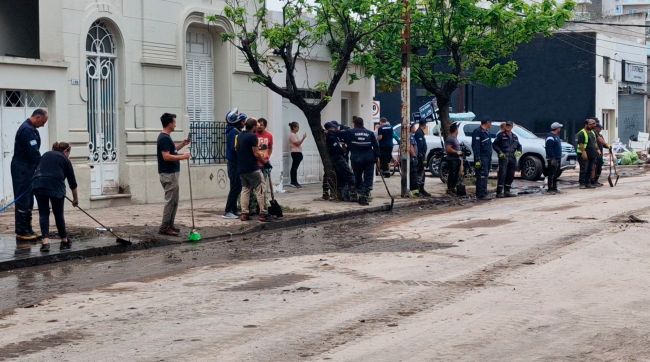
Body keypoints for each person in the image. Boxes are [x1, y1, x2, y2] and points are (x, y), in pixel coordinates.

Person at [32, 142, 78, 252]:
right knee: (58, 214)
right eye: (69, 153)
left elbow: (37, 168)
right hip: (55, 186)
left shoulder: (46, 154)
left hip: (38, 184)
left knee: (43, 213)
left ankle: (45, 242)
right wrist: (75, 199)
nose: (68, 155)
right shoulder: (65, 159)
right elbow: (72, 183)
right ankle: (64, 240)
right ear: (66, 151)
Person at [12, 108, 48, 242]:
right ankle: (22, 230)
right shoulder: (26, 130)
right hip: (22, 170)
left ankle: (28, 228)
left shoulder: (32, 129)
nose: (43, 125)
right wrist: (42, 166)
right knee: (23, 199)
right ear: (37, 117)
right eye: (43, 122)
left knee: (29, 199)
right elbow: (33, 153)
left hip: (28, 169)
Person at [157, 113, 190, 236]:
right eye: (174, 122)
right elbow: (166, 156)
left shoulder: (166, 137)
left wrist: (183, 144)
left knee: (174, 201)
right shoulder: (164, 138)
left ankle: (170, 225)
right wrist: (183, 157)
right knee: (170, 201)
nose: (175, 124)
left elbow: (172, 150)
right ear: (169, 123)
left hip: (172, 174)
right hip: (168, 174)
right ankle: (164, 227)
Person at [237, 118, 269, 222]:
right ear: (254, 126)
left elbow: (237, 149)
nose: (257, 127)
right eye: (257, 125)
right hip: (253, 168)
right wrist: (265, 162)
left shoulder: (240, 135)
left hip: (242, 168)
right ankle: (262, 213)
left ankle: (244, 213)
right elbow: (256, 153)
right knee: (260, 189)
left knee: (245, 190)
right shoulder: (253, 137)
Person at [346, 116, 380, 205]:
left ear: (355, 124)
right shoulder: (369, 133)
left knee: (357, 176)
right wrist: (376, 157)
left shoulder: (350, 132)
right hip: (369, 158)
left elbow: (347, 144)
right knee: (368, 177)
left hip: (356, 158)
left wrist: (346, 153)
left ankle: (360, 193)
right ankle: (365, 195)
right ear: (362, 123)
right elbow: (376, 146)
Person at [223, 108, 247, 219]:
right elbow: (235, 148)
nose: (244, 123)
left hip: (234, 163)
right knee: (235, 187)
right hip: (234, 163)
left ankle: (233, 210)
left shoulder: (234, 131)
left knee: (236, 187)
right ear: (236, 122)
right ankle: (228, 211)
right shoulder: (234, 132)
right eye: (242, 121)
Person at [325, 121, 356, 201]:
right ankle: (354, 193)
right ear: (330, 128)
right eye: (334, 127)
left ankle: (344, 195)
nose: (336, 129)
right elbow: (337, 148)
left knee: (343, 178)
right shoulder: (331, 136)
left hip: (341, 157)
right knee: (349, 175)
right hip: (338, 158)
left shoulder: (335, 135)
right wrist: (343, 150)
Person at [492, 120, 522, 198]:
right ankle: (499, 192)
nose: (508, 127)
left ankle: (507, 191)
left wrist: (519, 152)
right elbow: (495, 145)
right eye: (507, 125)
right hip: (504, 157)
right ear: (505, 126)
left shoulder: (515, 136)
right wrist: (500, 152)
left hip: (512, 157)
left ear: (512, 127)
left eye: (509, 126)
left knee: (511, 174)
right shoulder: (501, 135)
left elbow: (519, 146)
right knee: (502, 174)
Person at [472, 118, 493, 200]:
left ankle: (483, 192)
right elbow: (476, 146)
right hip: (482, 157)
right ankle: (481, 194)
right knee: (482, 175)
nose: (491, 124)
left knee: (485, 175)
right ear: (487, 122)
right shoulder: (478, 131)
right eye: (490, 122)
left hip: (487, 157)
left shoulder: (487, 132)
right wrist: (477, 159)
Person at [576, 118, 598, 189]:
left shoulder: (592, 132)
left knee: (590, 169)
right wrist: (583, 152)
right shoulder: (581, 133)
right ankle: (582, 183)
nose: (594, 125)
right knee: (583, 169)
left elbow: (594, 142)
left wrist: (597, 149)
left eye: (594, 124)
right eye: (592, 124)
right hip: (583, 154)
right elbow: (581, 143)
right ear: (586, 125)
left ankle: (588, 183)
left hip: (592, 154)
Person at [545, 122, 563, 194]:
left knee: (556, 174)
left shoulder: (556, 136)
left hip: (558, 158)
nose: (560, 129)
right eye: (559, 128)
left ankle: (554, 188)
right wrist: (552, 158)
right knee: (551, 174)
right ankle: (550, 189)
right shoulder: (550, 137)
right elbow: (549, 148)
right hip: (553, 159)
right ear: (557, 128)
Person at [592, 121, 611, 187]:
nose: (601, 130)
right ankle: (593, 181)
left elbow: (603, 143)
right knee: (595, 168)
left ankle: (596, 180)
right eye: (600, 128)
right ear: (596, 128)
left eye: (601, 128)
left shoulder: (600, 135)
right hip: (595, 154)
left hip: (600, 154)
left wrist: (608, 147)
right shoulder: (593, 134)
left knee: (599, 168)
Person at [445, 122, 463, 195]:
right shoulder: (450, 138)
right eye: (457, 129)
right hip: (451, 159)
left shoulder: (454, 138)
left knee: (455, 174)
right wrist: (457, 152)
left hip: (456, 159)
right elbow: (448, 149)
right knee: (452, 174)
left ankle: (453, 188)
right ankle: (449, 189)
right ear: (455, 130)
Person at [288, 122, 307, 188]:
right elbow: (297, 144)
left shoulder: (294, 134)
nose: (298, 128)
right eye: (297, 127)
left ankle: (294, 182)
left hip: (298, 153)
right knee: (294, 168)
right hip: (295, 153)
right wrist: (303, 138)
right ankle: (293, 182)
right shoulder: (292, 135)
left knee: (295, 168)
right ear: (294, 127)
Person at [415, 119, 430, 196]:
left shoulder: (420, 132)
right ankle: (418, 190)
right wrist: (421, 155)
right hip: (420, 157)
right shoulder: (418, 133)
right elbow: (419, 146)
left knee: (422, 174)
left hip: (421, 156)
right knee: (420, 174)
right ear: (423, 124)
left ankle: (421, 189)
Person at [408, 122, 419, 194]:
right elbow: (410, 146)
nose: (415, 128)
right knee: (413, 175)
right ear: (411, 128)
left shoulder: (409, 135)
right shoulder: (410, 136)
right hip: (412, 158)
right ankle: (414, 191)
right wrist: (414, 156)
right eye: (414, 127)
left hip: (411, 158)